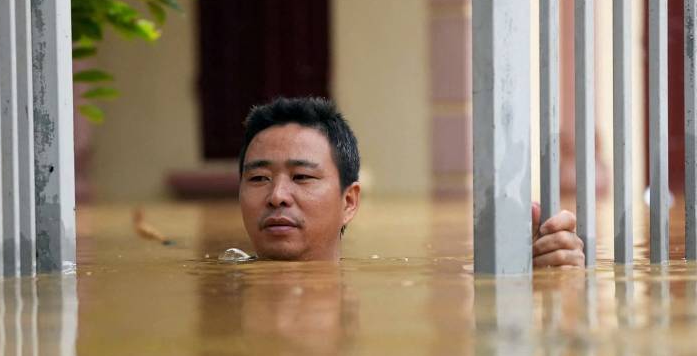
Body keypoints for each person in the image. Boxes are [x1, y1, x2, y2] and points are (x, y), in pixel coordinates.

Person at [238, 97, 585, 267]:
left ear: (349, 202)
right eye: (259, 178)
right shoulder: (223, 283)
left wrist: (541, 274)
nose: (277, 196)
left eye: (301, 177)